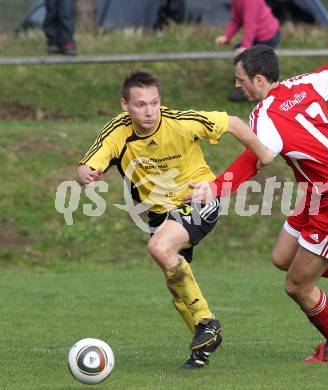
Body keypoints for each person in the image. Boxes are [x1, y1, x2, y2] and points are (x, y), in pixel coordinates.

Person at [186, 22, 328, 363]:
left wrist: (215, 187)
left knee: (297, 285)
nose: (236, 85)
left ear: (258, 80)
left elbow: (254, 161)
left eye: (239, 79)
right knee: (283, 258)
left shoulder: (264, 116)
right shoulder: (304, 84)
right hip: (321, 192)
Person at [76, 70, 272, 369]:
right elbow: (85, 166)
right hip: (159, 215)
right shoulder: (117, 132)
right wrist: (85, 176)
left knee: (159, 248)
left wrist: (264, 154)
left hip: (198, 200)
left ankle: (207, 323)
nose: (149, 111)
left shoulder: (180, 122)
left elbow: (232, 123)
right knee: (176, 282)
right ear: (124, 105)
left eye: (154, 103)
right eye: (140, 104)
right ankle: (202, 347)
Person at [215, 0, 280, 101]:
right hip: (256, 36)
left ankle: (249, 91)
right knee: (241, 57)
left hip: (266, 35)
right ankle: (245, 81)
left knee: (251, 63)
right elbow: (236, 20)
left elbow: (251, 23)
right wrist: (226, 36)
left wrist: (246, 46)